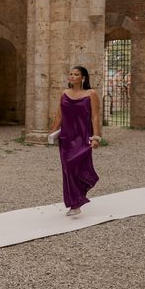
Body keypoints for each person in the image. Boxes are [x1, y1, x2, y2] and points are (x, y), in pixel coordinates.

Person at [49, 66, 101, 216]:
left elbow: (95, 116)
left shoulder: (91, 94)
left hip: (83, 137)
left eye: (76, 74)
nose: (72, 76)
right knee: (67, 169)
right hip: (66, 137)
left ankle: (78, 197)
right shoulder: (64, 93)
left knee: (76, 167)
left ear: (83, 77)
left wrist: (96, 137)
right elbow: (59, 116)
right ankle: (75, 204)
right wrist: (51, 133)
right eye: (71, 74)